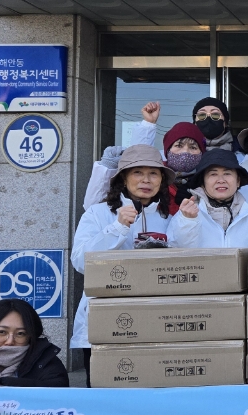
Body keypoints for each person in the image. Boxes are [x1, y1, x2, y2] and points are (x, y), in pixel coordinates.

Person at [69, 144, 174, 380]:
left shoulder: (168, 217)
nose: (146, 180)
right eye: (137, 172)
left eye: (153, 173)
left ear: (161, 181)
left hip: (153, 324)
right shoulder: (98, 213)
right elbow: (81, 261)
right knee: (103, 392)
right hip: (103, 323)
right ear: (123, 179)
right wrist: (117, 228)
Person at [171, 149, 248, 248]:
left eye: (227, 173)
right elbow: (176, 251)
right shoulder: (186, 214)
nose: (221, 180)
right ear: (203, 182)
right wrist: (188, 222)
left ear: (238, 181)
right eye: (213, 174)